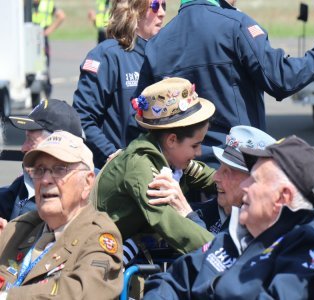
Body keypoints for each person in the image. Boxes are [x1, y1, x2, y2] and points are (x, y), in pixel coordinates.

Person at [136, 0, 314, 168]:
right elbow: (282, 79)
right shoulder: (236, 26)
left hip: (181, 173)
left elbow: (141, 114)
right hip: (235, 166)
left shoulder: (156, 44)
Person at [144, 136, 314, 299]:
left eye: (254, 180)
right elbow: (174, 279)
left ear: (283, 197)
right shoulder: (236, 234)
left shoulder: (304, 249)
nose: (244, 188)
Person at [94, 77, 216, 258]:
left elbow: (214, 178)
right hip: (100, 249)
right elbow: (168, 221)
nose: (198, 153)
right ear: (172, 140)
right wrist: (218, 251)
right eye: (195, 145)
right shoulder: (140, 165)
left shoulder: (169, 156)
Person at [0, 130, 123, 299]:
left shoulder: (98, 235)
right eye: (40, 170)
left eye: (59, 169)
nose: (45, 180)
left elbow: (81, 292)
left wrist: (6, 297)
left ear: (87, 182)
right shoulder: (20, 228)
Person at [73, 0, 166, 168]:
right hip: (117, 173)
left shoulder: (163, 57)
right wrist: (113, 155)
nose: (161, 13)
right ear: (133, 11)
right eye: (154, 5)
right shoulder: (108, 55)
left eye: (164, 6)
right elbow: (82, 118)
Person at [150, 125, 276, 234]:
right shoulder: (219, 209)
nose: (216, 177)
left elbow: (218, 256)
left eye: (228, 172)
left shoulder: (261, 227)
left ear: (253, 181)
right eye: (220, 167)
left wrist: (187, 213)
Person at [0, 99, 83, 224]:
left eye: (31, 140)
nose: (23, 148)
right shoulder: (24, 182)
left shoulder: (87, 194)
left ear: (58, 145)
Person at [32, 0, 66, 98]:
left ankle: (47, 96)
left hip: (41, 38)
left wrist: (47, 31)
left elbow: (61, 16)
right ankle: (35, 97)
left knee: (44, 68)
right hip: (29, 37)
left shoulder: (47, 4)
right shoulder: (26, 3)